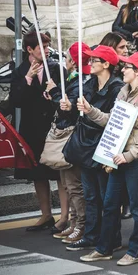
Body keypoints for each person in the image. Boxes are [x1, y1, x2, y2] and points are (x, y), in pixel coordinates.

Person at [79, 52, 138, 266]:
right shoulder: (124, 92)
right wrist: (90, 111)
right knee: (110, 204)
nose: (122, 70)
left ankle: (135, 252)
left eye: (127, 67)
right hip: (118, 159)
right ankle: (103, 249)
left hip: (137, 161)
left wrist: (129, 155)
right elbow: (111, 121)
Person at [63, 45, 124, 252]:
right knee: (90, 195)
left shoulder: (117, 88)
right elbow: (78, 106)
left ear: (106, 64)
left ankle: (111, 238)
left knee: (107, 197)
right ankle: (91, 235)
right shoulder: (90, 83)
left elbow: (113, 121)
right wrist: (69, 106)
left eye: (94, 60)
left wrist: (90, 110)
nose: (90, 63)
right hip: (86, 145)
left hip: (104, 146)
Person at [9, 31, 62, 231]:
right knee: (38, 173)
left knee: (58, 172)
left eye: (48, 47)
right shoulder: (19, 71)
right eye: (43, 48)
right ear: (30, 49)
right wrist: (28, 78)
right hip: (32, 128)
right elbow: (16, 101)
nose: (48, 51)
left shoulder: (55, 68)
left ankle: (65, 215)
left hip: (53, 127)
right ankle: (46, 215)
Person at [45, 43, 91, 244]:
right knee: (67, 183)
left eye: (67, 58)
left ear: (73, 61)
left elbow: (69, 109)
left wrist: (55, 93)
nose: (65, 61)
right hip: (66, 135)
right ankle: (74, 222)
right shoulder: (72, 79)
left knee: (74, 184)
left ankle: (81, 224)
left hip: (72, 135)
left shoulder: (80, 81)